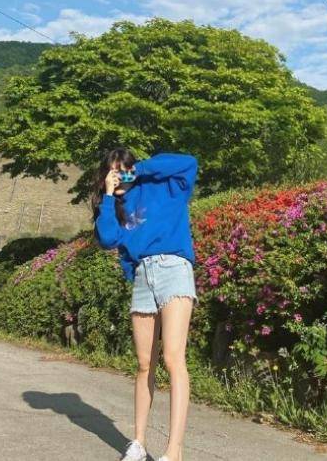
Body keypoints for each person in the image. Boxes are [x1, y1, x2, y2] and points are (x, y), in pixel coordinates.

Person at [92, 147, 199, 461]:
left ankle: (174, 452)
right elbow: (108, 238)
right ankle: (138, 443)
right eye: (112, 171)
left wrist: (137, 171)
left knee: (173, 358)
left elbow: (188, 163)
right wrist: (110, 196)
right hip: (142, 277)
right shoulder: (119, 206)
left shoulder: (163, 185)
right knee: (143, 365)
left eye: (122, 169)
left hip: (173, 268)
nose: (119, 175)